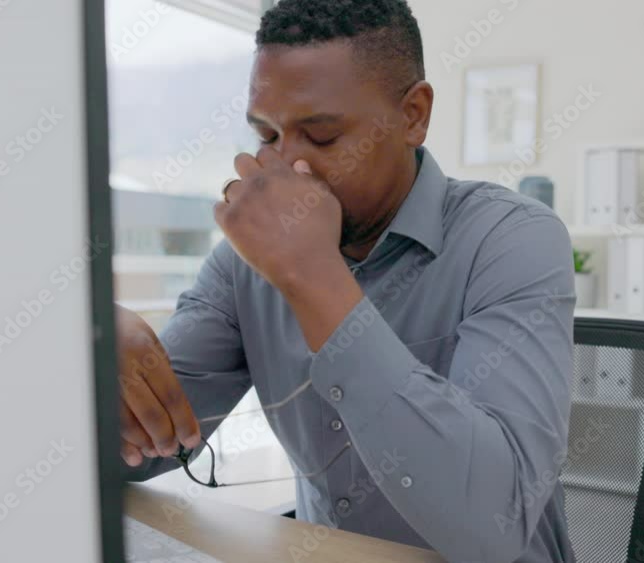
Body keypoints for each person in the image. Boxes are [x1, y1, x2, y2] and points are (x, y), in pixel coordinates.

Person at [118, 0, 575, 561]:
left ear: (414, 115)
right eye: (266, 135)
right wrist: (100, 366)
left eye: (323, 138)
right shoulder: (244, 264)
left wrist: (313, 276)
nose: (287, 169)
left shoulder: (513, 239)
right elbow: (143, 448)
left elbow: (493, 525)